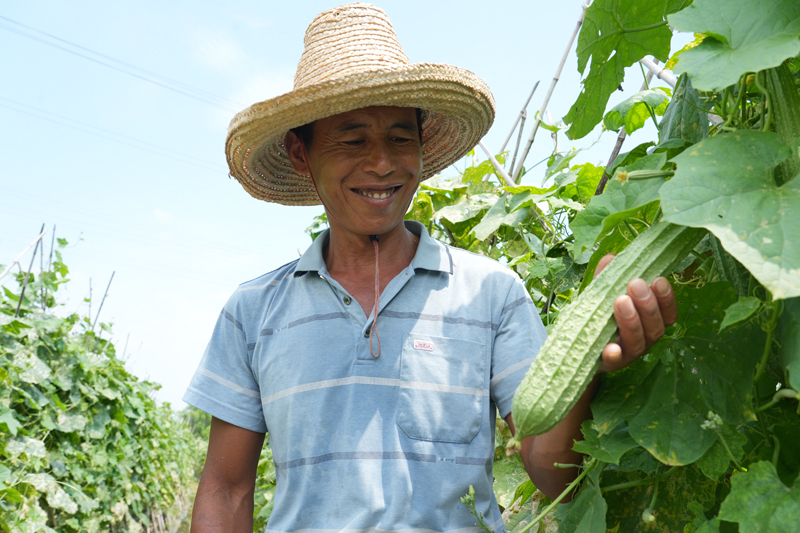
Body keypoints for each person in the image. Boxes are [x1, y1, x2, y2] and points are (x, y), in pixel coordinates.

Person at [185, 4, 678, 532]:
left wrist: (587, 364)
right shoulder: (254, 310)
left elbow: (548, 471)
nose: (381, 163)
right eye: (352, 140)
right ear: (301, 154)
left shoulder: (491, 293)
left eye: (401, 137)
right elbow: (225, 488)